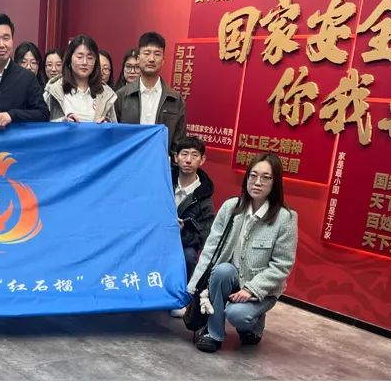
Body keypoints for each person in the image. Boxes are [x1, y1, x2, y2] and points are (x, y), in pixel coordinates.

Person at [187, 152, 298, 353]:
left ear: (275, 183)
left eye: (266, 177)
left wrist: (251, 290)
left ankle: (253, 326)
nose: (258, 182)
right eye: (253, 175)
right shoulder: (231, 207)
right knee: (222, 270)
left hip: (260, 289)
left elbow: (282, 265)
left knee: (237, 314)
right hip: (229, 278)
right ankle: (213, 333)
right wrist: (194, 286)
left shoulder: (285, 218)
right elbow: (211, 249)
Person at [115, 32, 186, 153]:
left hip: (160, 162)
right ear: (138, 59)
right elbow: (115, 137)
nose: (151, 59)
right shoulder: (121, 96)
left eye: (157, 54)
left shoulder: (175, 100)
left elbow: (178, 143)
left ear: (163, 60)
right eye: (147, 53)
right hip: (129, 161)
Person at [170, 136, 215, 317]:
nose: (188, 160)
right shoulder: (163, 181)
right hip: (154, 237)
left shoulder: (204, 197)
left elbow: (204, 235)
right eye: (184, 154)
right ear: (176, 157)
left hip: (182, 243)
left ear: (202, 160)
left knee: (189, 256)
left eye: (194, 155)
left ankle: (181, 299)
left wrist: (182, 233)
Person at [44, 35, 117, 123]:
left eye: (90, 58)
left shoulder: (105, 93)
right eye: (79, 57)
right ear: (69, 59)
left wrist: (107, 124)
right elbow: (42, 126)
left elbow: (114, 128)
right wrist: (63, 122)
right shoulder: (54, 90)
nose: (85, 62)